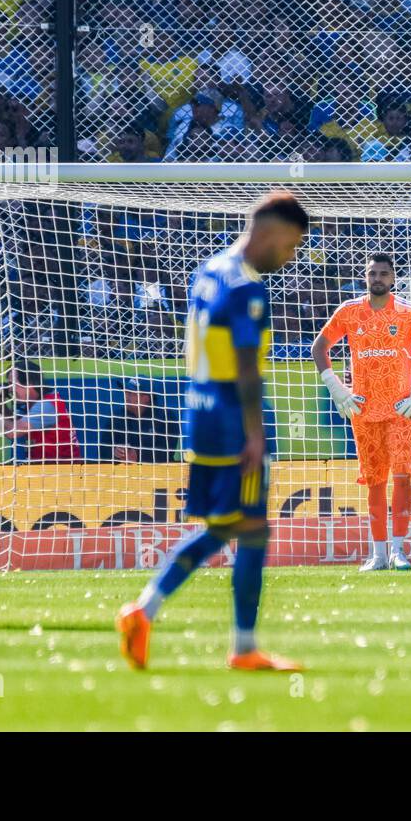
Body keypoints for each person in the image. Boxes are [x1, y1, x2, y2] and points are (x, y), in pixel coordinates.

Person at [117, 190, 310, 673]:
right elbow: (247, 368)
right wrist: (255, 432)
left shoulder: (208, 270)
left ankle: (144, 610)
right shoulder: (246, 287)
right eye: (290, 247)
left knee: (223, 525)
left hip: (198, 414)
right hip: (230, 419)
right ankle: (244, 648)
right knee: (252, 530)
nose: (289, 258)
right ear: (269, 232)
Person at [311, 253, 411, 572]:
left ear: (393, 279)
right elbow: (319, 348)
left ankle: (399, 551)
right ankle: (378, 554)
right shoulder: (348, 312)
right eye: (372, 273)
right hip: (362, 410)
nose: (377, 278)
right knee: (374, 482)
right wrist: (337, 388)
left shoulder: (408, 313)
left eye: (384, 274)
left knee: (402, 477)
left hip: (402, 410)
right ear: (365, 276)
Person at [0, 357, 81, 462]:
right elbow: (7, 428)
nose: (10, 390)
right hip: (46, 468)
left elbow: (12, 432)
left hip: (61, 471)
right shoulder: (31, 403)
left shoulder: (46, 406)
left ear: (30, 383)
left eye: (13, 384)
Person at [107, 377, 181, 463]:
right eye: (126, 392)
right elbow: (102, 448)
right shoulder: (117, 417)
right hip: (123, 472)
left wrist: (138, 455)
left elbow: (169, 451)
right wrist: (115, 452)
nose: (126, 395)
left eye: (131, 393)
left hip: (161, 473)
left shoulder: (167, 417)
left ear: (146, 398)